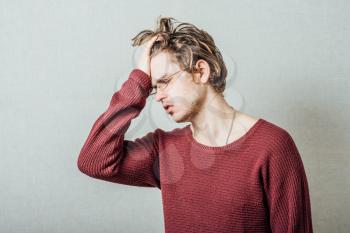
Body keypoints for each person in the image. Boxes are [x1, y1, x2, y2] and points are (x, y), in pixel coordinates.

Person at [77, 16, 313, 233]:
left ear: (200, 71)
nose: (157, 96)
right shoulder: (164, 149)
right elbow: (93, 160)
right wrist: (138, 81)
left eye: (165, 82)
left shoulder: (272, 146)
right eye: (153, 88)